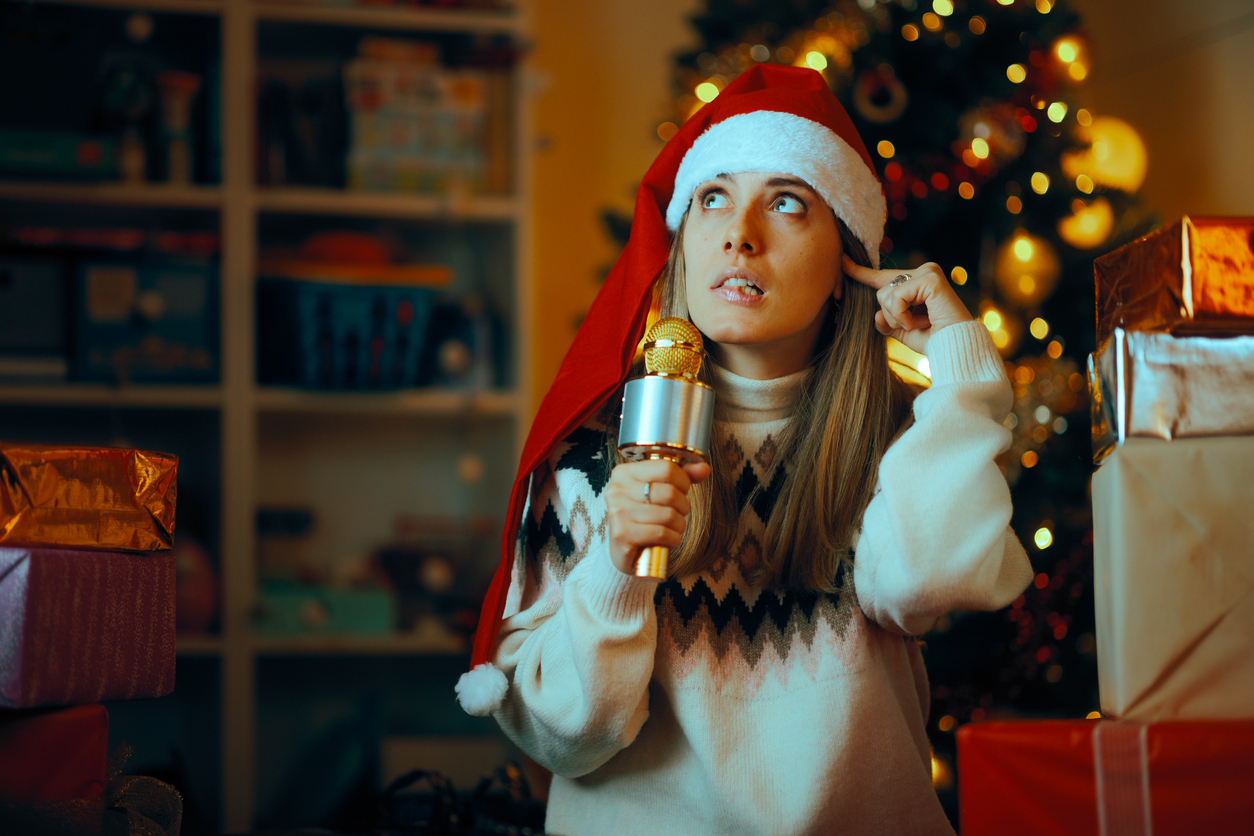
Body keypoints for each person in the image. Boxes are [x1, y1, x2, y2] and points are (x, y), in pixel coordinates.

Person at [456, 64, 1032, 835]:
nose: (740, 234)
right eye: (713, 198)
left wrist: (959, 374)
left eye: (787, 201)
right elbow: (560, 739)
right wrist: (615, 569)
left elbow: (935, 583)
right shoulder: (590, 458)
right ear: (682, 246)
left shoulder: (899, 443)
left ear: (846, 264)